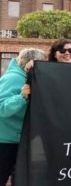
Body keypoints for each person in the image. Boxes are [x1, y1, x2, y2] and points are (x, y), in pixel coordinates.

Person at [0, 48, 46, 186]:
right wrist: (21, 97)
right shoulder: (13, 78)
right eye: (42, 63)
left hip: (19, 140)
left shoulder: (29, 77)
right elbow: (2, 108)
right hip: (5, 142)